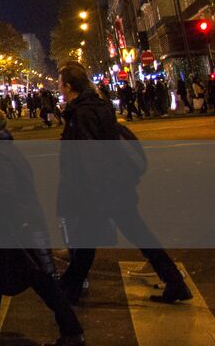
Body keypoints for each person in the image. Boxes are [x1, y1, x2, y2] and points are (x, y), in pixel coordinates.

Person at [54, 62, 191, 305]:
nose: (58, 85)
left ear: (68, 86)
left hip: (100, 191)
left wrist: (87, 193)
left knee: (89, 241)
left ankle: (70, 289)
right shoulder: (96, 106)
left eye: (60, 81)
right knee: (133, 236)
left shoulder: (82, 112)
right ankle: (175, 283)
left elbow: (88, 158)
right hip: (113, 187)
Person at [0, 104, 83, 346]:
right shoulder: (3, 148)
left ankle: (73, 332)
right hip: (15, 225)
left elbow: (4, 193)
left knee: (44, 283)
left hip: (19, 228)